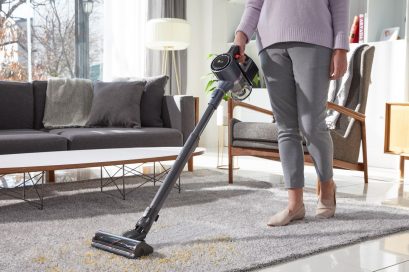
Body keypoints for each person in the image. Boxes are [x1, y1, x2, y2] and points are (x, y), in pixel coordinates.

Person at [234, 0, 349, 226]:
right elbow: (254, 4)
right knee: (285, 127)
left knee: (311, 125)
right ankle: (294, 204)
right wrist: (241, 36)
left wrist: (341, 47)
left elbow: (339, 3)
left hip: (315, 40)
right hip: (270, 43)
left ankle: (327, 185)